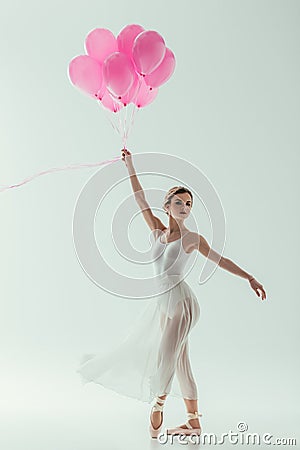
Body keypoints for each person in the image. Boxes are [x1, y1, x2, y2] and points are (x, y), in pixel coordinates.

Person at [76, 148, 267, 439]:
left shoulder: (192, 239)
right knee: (180, 361)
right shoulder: (156, 231)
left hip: (182, 303)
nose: (184, 207)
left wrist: (249, 278)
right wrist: (130, 166)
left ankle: (159, 405)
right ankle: (193, 422)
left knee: (166, 356)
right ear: (167, 206)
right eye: (178, 202)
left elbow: (220, 260)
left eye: (189, 204)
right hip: (163, 304)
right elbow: (140, 199)